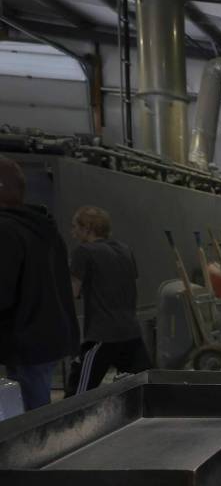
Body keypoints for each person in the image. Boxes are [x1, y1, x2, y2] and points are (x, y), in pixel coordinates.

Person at [0, 157, 80, 410]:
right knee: (37, 410)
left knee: (30, 417)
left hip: (26, 340)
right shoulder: (45, 229)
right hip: (48, 338)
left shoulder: (6, 230)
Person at [66, 205, 151, 394]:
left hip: (102, 334)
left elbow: (72, 291)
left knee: (77, 396)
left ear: (87, 228)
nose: (72, 233)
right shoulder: (125, 250)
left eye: (75, 227)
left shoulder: (84, 252)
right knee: (146, 390)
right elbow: (131, 286)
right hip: (131, 332)